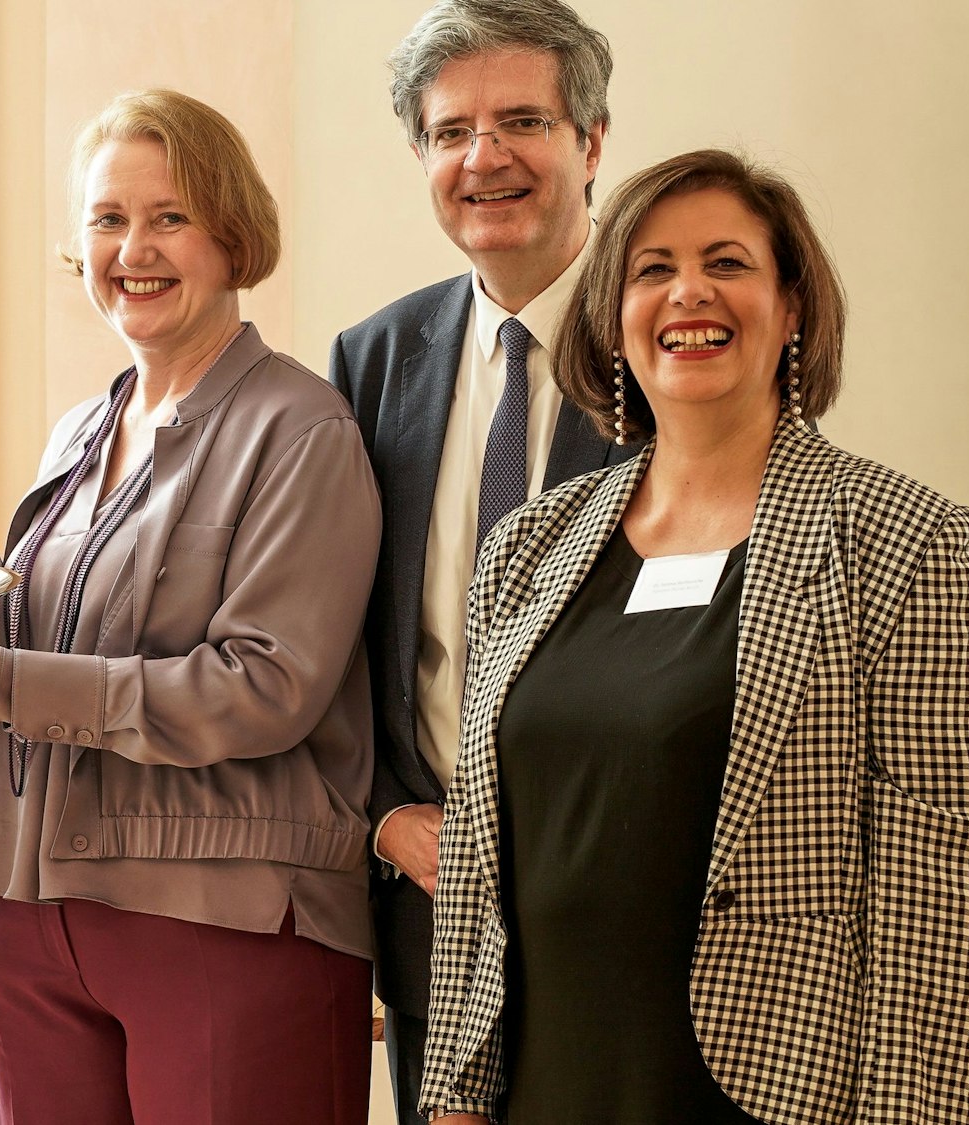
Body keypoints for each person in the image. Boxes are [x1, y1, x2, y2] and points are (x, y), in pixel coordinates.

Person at [420, 148, 969, 1124]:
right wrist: (450, 1097)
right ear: (614, 317)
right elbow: (479, 865)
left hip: (774, 1097)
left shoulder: (905, 545)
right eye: (650, 269)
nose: (686, 290)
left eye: (726, 263)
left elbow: (943, 901)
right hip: (544, 1085)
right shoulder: (524, 548)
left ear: (790, 309)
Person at [0, 89, 381, 1125]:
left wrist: (7, 680)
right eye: (106, 220)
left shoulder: (300, 431)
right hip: (30, 906)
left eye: (168, 217)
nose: (131, 248)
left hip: (222, 918)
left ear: (232, 236)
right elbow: (94, 643)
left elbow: (264, 686)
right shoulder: (80, 430)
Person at [324, 4, 629, 1120]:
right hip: (431, 897)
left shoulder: (674, 340)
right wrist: (380, 817)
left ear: (589, 143)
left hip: (627, 911)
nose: (481, 157)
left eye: (519, 121)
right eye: (450, 131)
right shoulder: (371, 359)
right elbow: (339, 636)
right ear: (420, 156)